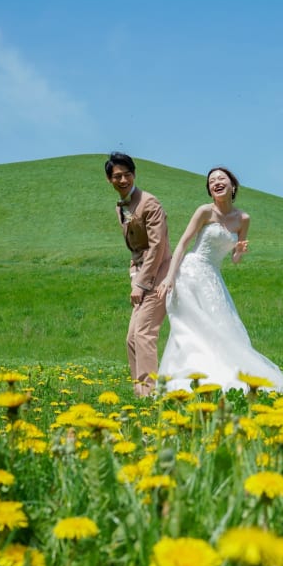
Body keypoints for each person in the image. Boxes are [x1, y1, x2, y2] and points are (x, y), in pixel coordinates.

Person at [155, 167, 283, 393]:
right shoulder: (205, 212)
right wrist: (169, 277)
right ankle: (189, 376)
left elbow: (235, 259)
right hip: (189, 273)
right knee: (191, 326)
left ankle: (219, 375)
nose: (216, 182)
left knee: (222, 327)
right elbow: (183, 243)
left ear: (232, 185)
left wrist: (240, 252)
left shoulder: (243, 219)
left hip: (213, 277)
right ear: (210, 190)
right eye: (211, 181)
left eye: (221, 178)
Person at [106, 152, 172, 397]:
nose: (123, 180)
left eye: (127, 174)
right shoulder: (121, 206)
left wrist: (142, 283)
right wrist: (134, 274)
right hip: (141, 274)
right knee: (132, 338)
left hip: (159, 274)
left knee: (144, 333)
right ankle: (139, 393)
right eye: (117, 176)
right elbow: (136, 249)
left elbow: (157, 246)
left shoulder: (150, 203)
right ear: (110, 180)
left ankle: (149, 394)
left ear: (134, 175)